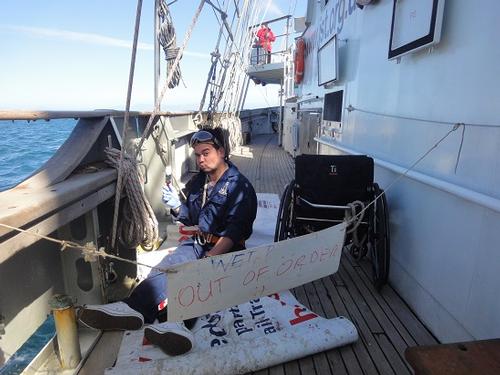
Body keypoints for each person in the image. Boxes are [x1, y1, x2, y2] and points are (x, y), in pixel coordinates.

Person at [79, 128, 258, 356]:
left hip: (225, 249)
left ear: (221, 151)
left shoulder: (239, 187)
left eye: (206, 152)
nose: (201, 159)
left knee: (194, 277)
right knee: (167, 268)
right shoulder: (199, 183)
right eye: (197, 155)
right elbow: (192, 216)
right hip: (198, 242)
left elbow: (235, 232)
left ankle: (169, 321)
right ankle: (146, 314)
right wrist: (176, 207)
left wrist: (210, 258)